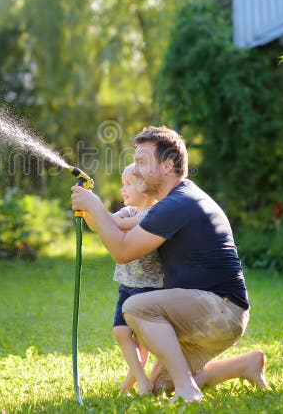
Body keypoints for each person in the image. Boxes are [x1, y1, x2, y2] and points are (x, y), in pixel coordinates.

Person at [71, 126, 266, 404]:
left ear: (168, 164)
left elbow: (122, 251)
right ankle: (244, 365)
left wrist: (96, 207)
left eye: (141, 162)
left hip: (220, 311)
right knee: (161, 385)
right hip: (209, 312)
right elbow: (122, 234)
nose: (135, 171)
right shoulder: (172, 201)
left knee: (135, 307)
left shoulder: (177, 204)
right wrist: (94, 210)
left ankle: (188, 389)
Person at [110, 163, 162, 395]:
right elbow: (111, 221)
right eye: (122, 184)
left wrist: (96, 211)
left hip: (149, 288)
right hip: (127, 286)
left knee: (142, 341)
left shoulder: (154, 213)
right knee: (120, 332)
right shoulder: (127, 211)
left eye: (128, 184)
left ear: (146, 187)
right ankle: (139, 380)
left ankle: (137, 383)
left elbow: (118, 225)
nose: (123, 189)